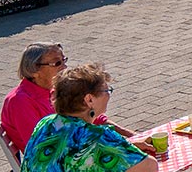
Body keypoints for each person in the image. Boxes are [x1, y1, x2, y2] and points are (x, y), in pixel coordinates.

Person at [1, 42, 141, 155]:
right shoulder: (19, 101)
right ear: (34, 71)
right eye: (57, 63)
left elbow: (93, 116)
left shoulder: (55, 89)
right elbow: (41, 146)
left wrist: (132, 136)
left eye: (64, 60)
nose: (65, 67)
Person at [18, 63, 157, 172]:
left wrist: (124, 148)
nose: (108, 95)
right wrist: (125, 150)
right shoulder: (98, 136)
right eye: (106, 91)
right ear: (89, 100)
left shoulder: (47, 123)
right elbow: (149, 167)